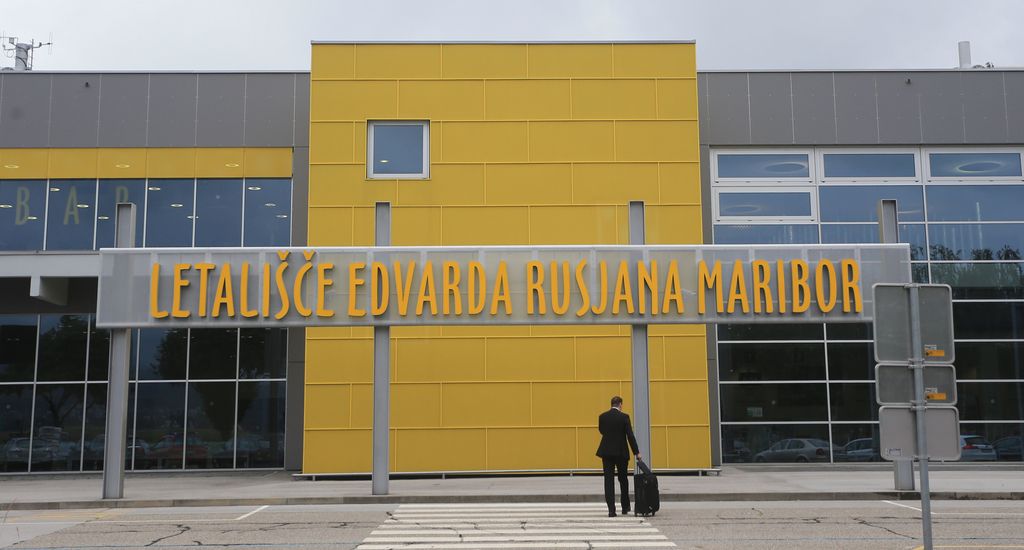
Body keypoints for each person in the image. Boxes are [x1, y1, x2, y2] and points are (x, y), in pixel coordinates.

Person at [595, 395, 641, 517]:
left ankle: (611, 510)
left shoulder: (602, 417)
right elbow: (630, 436)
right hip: (621, 452)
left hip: (606, 452)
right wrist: (636, 452)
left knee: (608, 480)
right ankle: (625, 507)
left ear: (611, 404)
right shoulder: (624, 417)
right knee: (623, 479)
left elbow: (602, 431)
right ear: (620, 404)